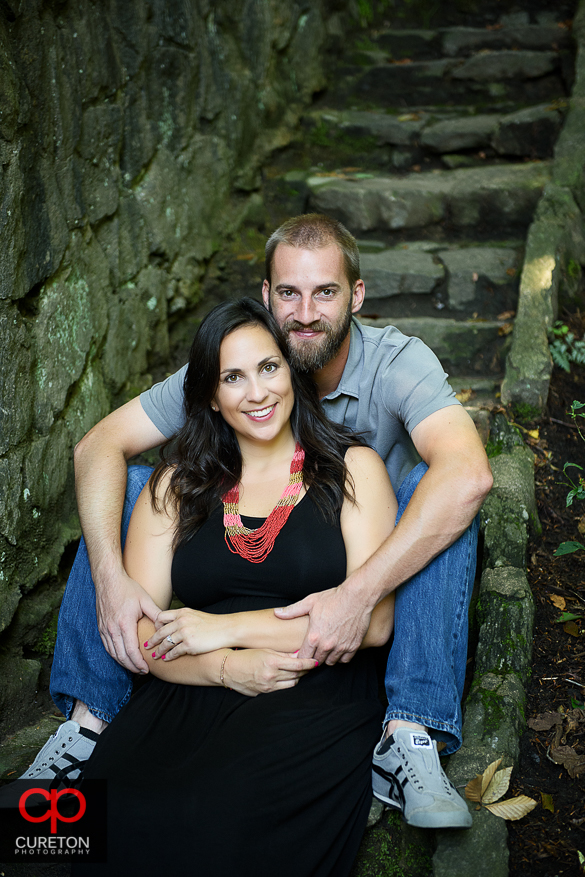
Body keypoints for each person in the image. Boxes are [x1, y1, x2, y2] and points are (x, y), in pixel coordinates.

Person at [25, 214, 493, 830]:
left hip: (370, 565)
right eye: (289, 294)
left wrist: (356, 594)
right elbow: (97, 447)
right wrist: (111, 580)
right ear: (267, 297)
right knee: (138, 484)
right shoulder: (247, 358)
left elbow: (469, 475)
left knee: (438, 497)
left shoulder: (397, 364)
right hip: (259, 577)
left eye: (325, 292)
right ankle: (91, 719)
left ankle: (411, 731)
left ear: (356, 295)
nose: (305, 313)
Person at [71, 298, 396, 876]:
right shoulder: (177, 484)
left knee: (222, 809)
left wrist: (224, 630)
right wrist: (223, 664)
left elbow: (371, 625)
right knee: (104, 807)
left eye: (269, 368)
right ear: (211, 396)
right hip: (191, 682)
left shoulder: (352, 470)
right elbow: (144, 636)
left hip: (312, 685)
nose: (257, 393)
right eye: (232, 377)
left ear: (292, 372)